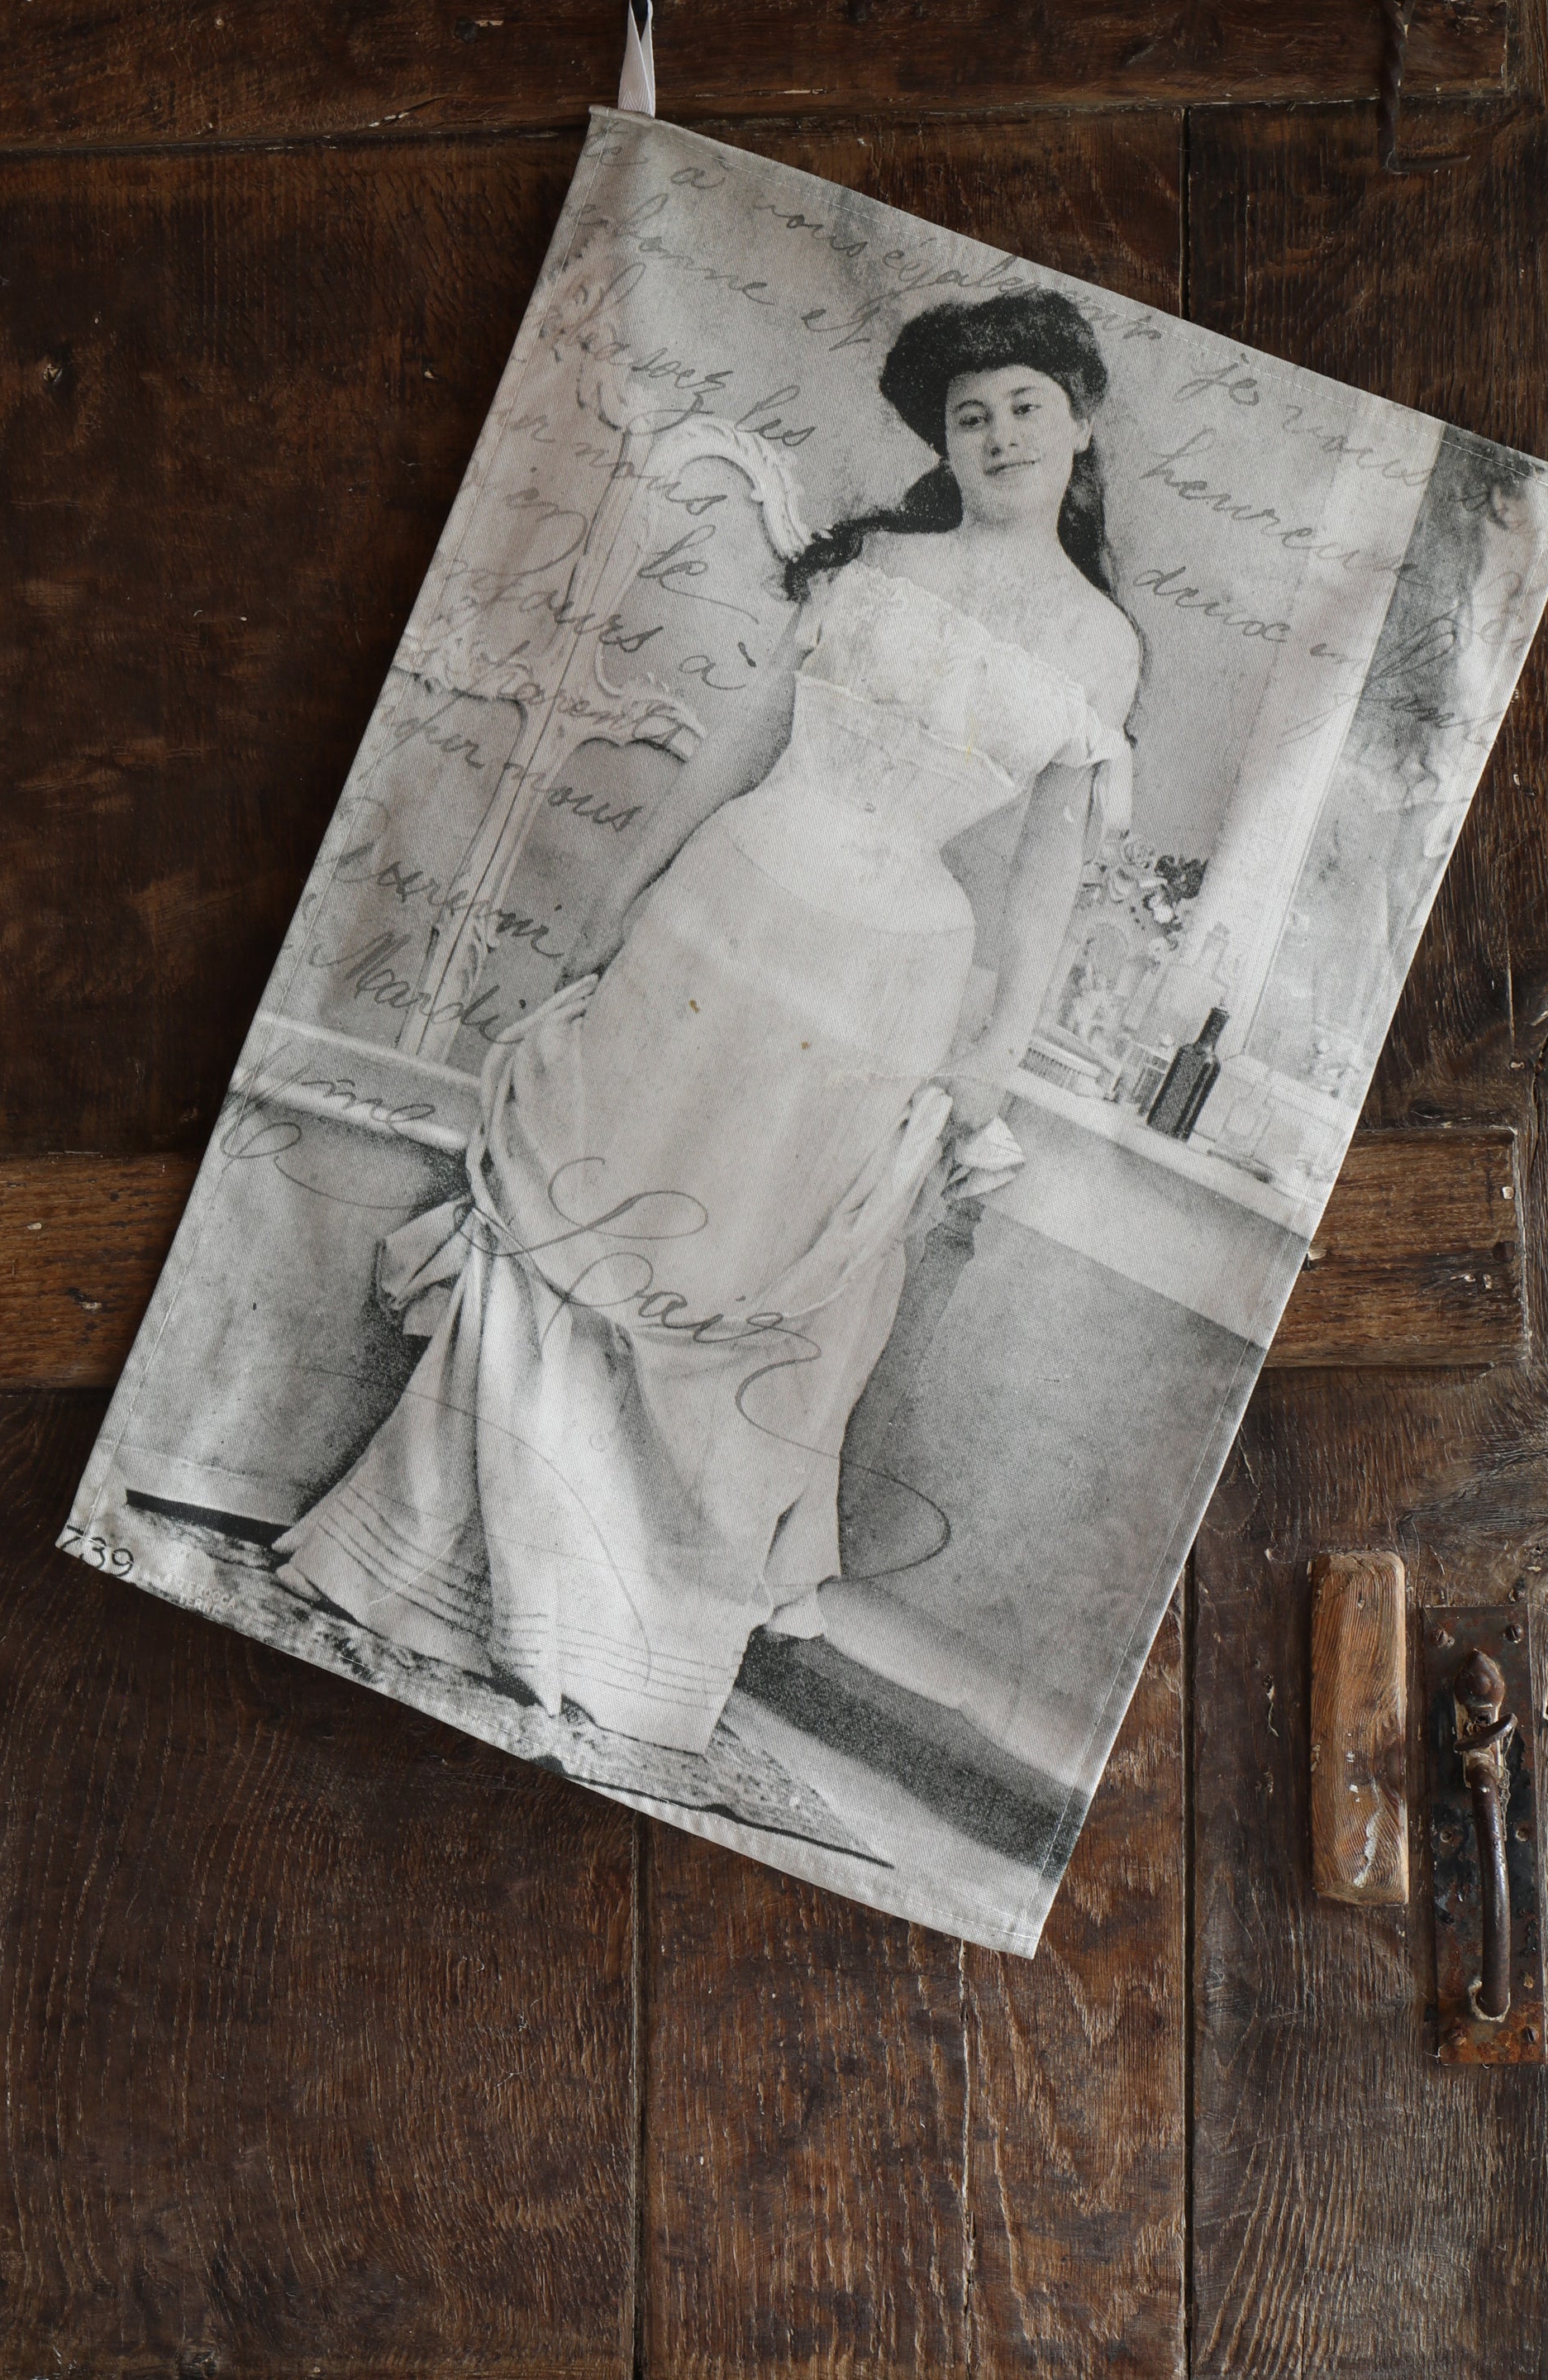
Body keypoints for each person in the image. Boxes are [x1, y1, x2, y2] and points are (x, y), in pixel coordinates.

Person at [274, 289, 1141, 1756]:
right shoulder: (874, 561)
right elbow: (741, 743)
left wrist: (991, 1062)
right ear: (943, 435)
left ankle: (623, 1642)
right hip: (724, 926)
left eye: (1025, 408)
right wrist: (618, 902)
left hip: (882, 989)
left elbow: (1047, 881)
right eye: (969, 413)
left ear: (1079, 424)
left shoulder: (1104, 650)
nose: (996, 434)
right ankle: (442, 1571)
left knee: (729, 1280)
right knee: (603, 1225)